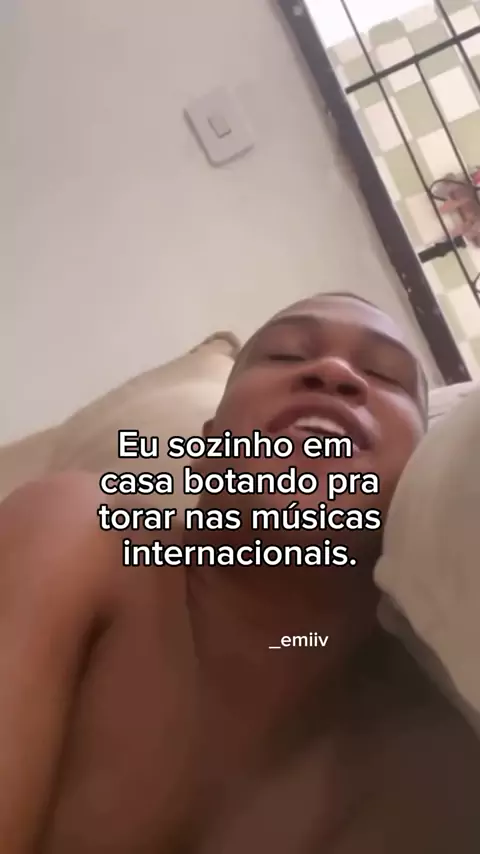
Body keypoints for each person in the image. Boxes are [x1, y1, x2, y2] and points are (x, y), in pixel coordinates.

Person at [1, 293, 479, 854]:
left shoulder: (440, 764)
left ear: (423, 476)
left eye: (385, 375)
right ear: (206, 450)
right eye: (285, 354)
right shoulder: (84, 533)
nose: (333, 371)